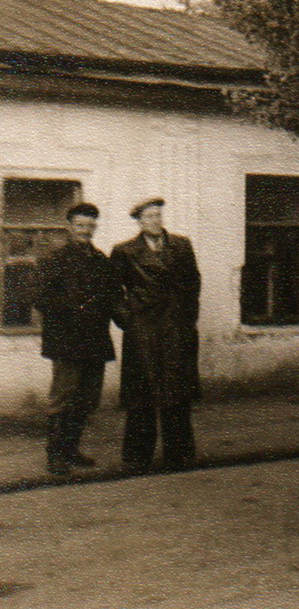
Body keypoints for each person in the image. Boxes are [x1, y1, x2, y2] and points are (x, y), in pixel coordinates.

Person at [111, 198, 202, 471]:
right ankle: (139, 454)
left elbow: (193, 284)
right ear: (138, 221)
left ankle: (179, 451)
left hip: (175, 327)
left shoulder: (181, 245)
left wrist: (186, 320)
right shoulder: (125, 251)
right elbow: (113, 293)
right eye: (149, 217)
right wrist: (130, 321)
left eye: (158, 215)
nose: (155, 221)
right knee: (142, 394)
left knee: (176, 391)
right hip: (143, 330)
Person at [33, 203, 123, 475]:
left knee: (86, 399)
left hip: (95, 340)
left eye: (90, 226)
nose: (85, 231)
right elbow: (39, 297)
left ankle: (71, 449)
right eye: (80, 225)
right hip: (66, 341)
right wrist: (75, 307)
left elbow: (113, 297)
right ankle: (55, 455)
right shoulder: (54, 258)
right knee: (63, 397)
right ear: (70, 227)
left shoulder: (100, 260)